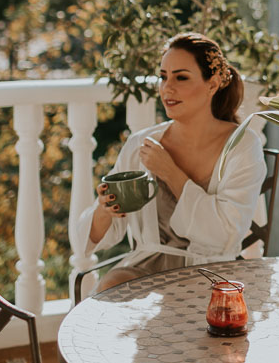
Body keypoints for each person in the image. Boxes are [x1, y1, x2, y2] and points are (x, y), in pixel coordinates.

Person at [72, 32, 266, 291]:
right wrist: (105, 210)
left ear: (213, 83)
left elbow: (225, 235)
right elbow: (90, 240)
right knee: (109, 289)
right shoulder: (141, 145)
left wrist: (170, 171)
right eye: (163, 77)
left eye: (181, 77)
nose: (167, 88)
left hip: (211, 273)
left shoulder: (241, 145)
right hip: (145, 269)